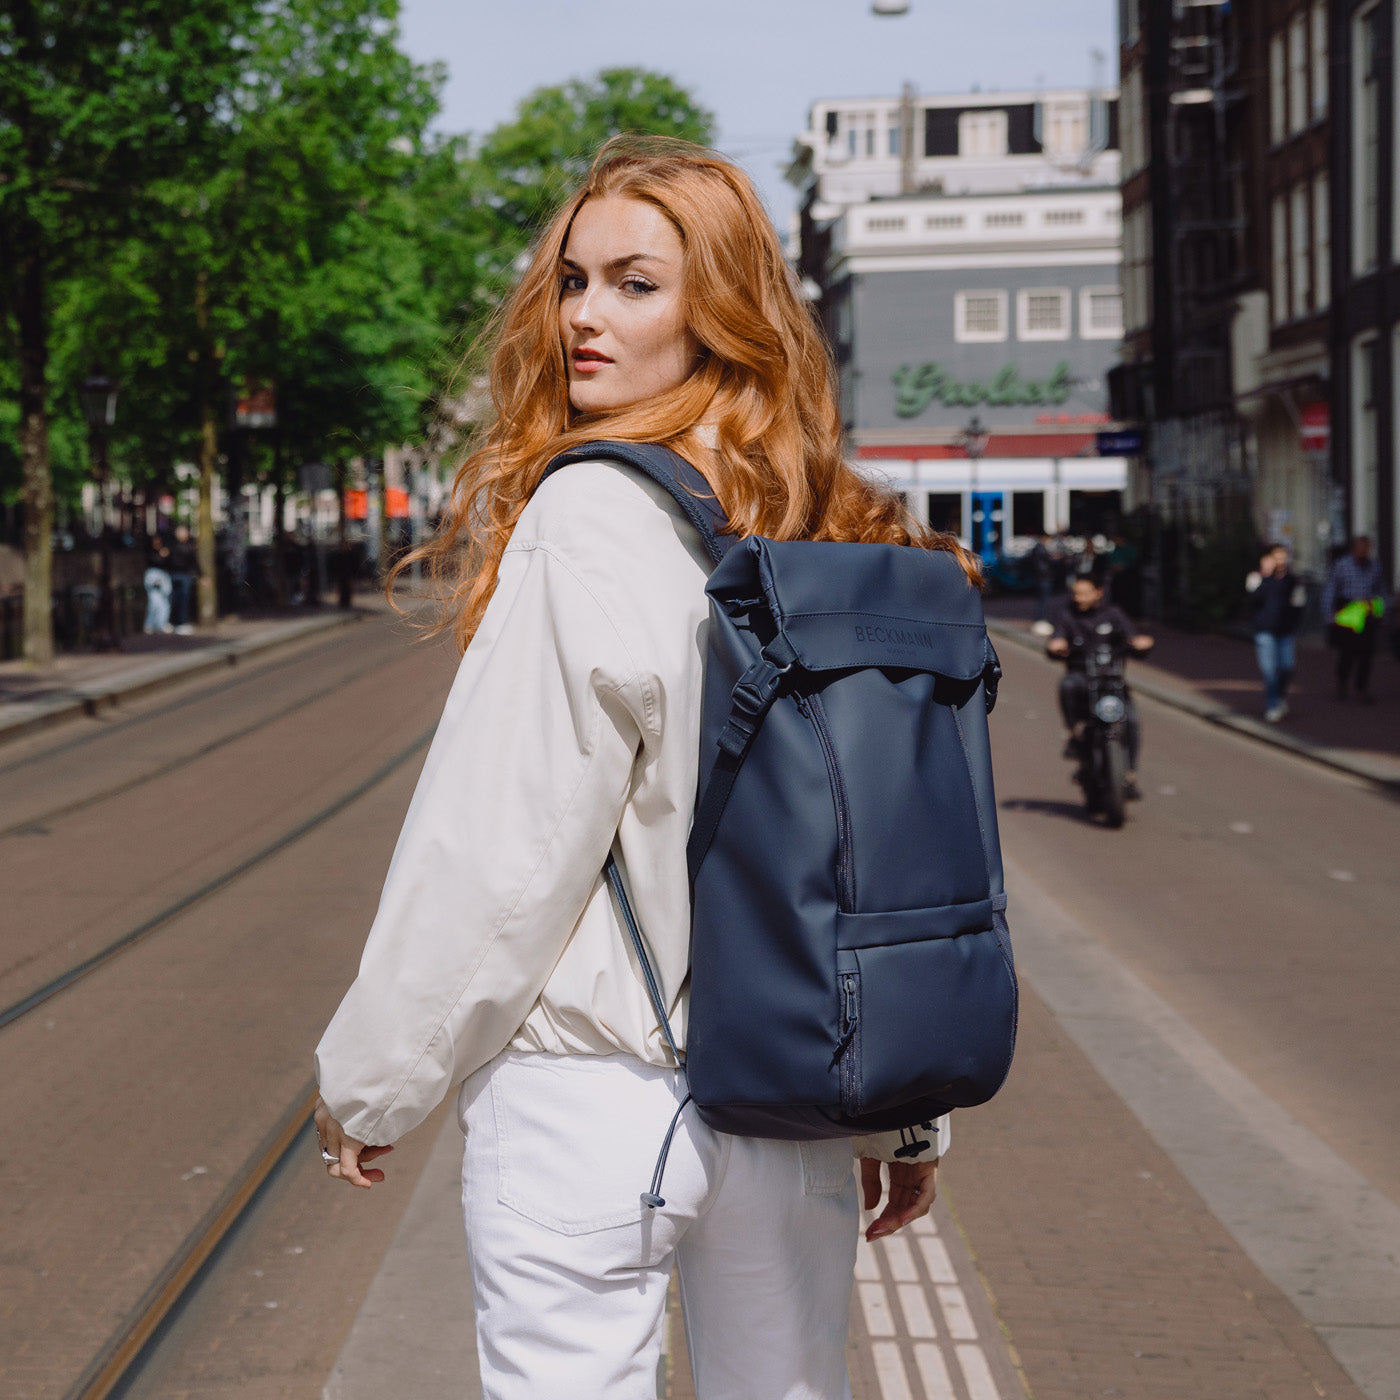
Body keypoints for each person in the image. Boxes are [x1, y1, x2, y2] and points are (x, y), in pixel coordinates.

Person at [311, 138, 979, 1400]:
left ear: (716, 308)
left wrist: (378, 1075)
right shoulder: (822, 516)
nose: (582, 316)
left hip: (593, 1100)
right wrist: (902, 1110)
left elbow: (505, 843)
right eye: (572, 280)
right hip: (791, 1098)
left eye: (633, 284)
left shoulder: (589, 511)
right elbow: (890, 845)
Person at [1046, 573, 1154, 797]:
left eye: (1084, 593)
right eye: (1076, 593)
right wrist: (1056, 645)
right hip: (1082, 678)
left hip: (1111, 681)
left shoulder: (1113, 614)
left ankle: (1129, 774)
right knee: (1067, 685)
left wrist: (1140, 643)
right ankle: (1074, 733)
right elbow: (1057, 639)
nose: (1079, 598)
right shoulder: (1067, 615)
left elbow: (1132, 638)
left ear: (1098, 592)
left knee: (1131, 721)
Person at [1322, 534, 1387, 702]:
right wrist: (1329, 615)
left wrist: (1381, 612)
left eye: (1366, 548)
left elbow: (1381, 591)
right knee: (1347, 652)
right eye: (1360, 548)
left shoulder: (1375, 566)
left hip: (1366, 613)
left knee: (1366, 653)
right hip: (1348, 612)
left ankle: (1361, 689)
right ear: (1354, 549)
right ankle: (1342, 683)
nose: (1363, 551)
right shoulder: (1342, 565)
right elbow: (1331, 589)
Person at [1245, 543, 1306, 722]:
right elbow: (1253, 598)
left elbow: (1299, 603)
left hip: (1285, 632)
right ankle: (1272, 705)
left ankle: (1278, 697)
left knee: (1287, 668)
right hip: (1265, 632)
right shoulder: (1256, 577)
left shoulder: (1292, 580)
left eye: (1283, 557)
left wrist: (1292, 623)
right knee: (1270, 671)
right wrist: (1266, 576)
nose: (1280, 561)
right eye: (1277, 557)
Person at [167, 524, 198, 634]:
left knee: (182, 600)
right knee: (176, 600)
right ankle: (177, 623)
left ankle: (181, 623)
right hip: (177, 575)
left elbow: (194, 562)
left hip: (183, 575)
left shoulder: (186, 546)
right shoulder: (173, 546)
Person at [142, 535, 173, 635]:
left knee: (164, 602)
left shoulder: (164, 551)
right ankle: (152, 624)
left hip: (163, 576)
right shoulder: (151, 553)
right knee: (155, 602)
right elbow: (153, 561)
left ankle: (160, 624)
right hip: (154, 575)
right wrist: (161, 556)